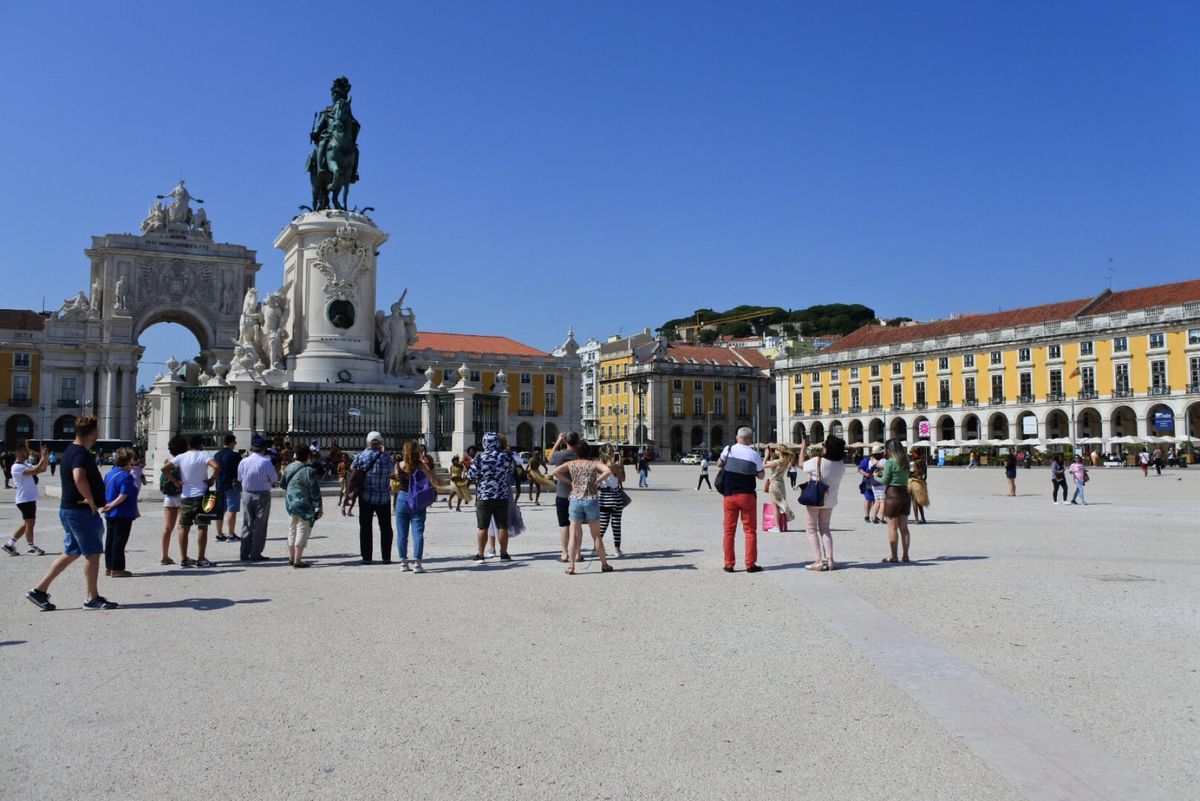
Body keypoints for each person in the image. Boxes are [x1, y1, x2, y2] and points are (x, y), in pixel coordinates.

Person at [24, 416, 118, 611]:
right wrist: (90, 499)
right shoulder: (81, 453)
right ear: (92, 432)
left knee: (71, 551)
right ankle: (92, 598)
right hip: (80, 511)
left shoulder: (71, 450)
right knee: (92, 553)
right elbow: (79, 477)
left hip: (69, 509)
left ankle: (39, 590)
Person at [553, 441, 615, 575]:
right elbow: (608, 470)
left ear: (577, 452)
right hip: (590, 499)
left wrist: (569, 481)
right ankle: (604, 564)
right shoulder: (593, 464)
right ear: (589, 452)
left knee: (573, 535)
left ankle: (571, 566)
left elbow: (556, 471)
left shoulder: (571, 464)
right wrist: (597, 481)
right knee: (596, 536)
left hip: (575, 499)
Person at [716, 427, 766, 573]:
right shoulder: (754, 454)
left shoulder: (729, 449)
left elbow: (719, 464)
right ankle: (750, 564)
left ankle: (729, 564)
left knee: (729, 531)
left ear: (737, 437)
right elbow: (761, 476)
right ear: (749, 439)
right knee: (750, 531)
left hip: (729, 495)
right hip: (747, 496)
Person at [172, 435, 220, 569]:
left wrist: (176, 482)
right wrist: (212, 480)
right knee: (202, 526)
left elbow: (165, 468)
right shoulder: (204, 455)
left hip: (186, 495)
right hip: (202, 494)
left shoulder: (182, 457)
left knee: (184, 527)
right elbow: (216, 466)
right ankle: (201, 558)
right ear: (201, 444)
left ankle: (184, 558)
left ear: (188, 445)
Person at [800, 437, 847, 571]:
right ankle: (830, 560)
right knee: (825, 528)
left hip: (815, 499)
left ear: (827, 448)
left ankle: (818, 561)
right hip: (830, 500)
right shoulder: (841, 465)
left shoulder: (818, 461)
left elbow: (801, 464)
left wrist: (803, 448)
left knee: (811, 529)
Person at [468, 432, 514, 565]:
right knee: (502, 526)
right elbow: (510, 471)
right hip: (501, 495)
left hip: (484, 496)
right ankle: (504, 554)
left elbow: (471, 475)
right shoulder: (506, 456)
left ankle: (480, 555)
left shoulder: (479, 457)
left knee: (483, 527)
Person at [393, 440, 437, 572]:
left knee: (402, 533)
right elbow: (431, 477)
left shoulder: (398, 465)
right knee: (418, 532)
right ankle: (417, 563)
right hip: (417, 498)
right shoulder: (420, 465)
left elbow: (397, 477)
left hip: (402, 498)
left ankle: (403, 562)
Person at [350, 432, 394, 564]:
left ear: (368, 442)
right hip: (383, 497)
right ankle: (386, 557)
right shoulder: (386, 458)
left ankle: (367, 557)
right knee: (386, 528)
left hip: (366, 496)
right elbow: (392, 472)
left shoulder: (361, 456)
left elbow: (353, 471)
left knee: (365, 527)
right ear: (381, 443)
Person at [237, 435, 279, 562]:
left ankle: (244, 553)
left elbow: (240, 478)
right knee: (260, 525)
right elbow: (274, 479)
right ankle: (256, 553)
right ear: (263, 449)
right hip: (262, 494)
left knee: (247, 523)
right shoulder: (266, 462)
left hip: (247, 493)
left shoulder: (243, 461)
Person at [4, 442, 49, 556]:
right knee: (30, 523)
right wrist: (42, 457)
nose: (27, 453)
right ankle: (31, 547)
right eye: (25, 451)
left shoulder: (25, 464)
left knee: (26, 524)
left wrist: (46, 457)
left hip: (28, 498)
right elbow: (35, 471)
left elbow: (42, 469)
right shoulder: (16, 467)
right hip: (24, 499)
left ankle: (9, 544)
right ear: (18, 452)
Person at [281, 444, 322, 569]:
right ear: (308, 456)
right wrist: (319, 506)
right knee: (302, 529)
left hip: (291, 502)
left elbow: (283, 484)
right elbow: (314, 490)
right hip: (304, 504)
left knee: (292, 529)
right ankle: (297, 560)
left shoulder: (289, 467)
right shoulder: (309, 471)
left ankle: (291, 557)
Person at [101, 448, 139, 578]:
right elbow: (123, 495)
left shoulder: (110, 474)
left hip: (110, 513)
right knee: (119, 541)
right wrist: (112, 505)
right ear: (128, 461)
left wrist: (108, 505)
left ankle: (109, 566)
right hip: (122, 512)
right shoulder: (126, 476)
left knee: (110, 540)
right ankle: (117, 568)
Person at [548, 432, 580, 562]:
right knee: (576, 524)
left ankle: (565, 553)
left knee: (564, 525)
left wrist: (558, 441)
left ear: (565, 441)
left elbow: (549, 459)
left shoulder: (560, 455)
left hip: (562, 494)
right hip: (578, 494)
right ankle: (577, 554)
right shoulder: (579, 455)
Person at [880, 438, 912, 563]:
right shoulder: (906, 461)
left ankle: (894, 556)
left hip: (893, 494)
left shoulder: (889, 462)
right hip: (905, 494)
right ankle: (906, 555)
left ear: (889, 450)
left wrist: (875, 477)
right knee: (904, 528)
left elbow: (884, 481)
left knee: (892, 528)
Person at [159, 435, 186, 565]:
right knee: (181, 527)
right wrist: (177, 482)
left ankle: (165, 556)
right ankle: (183, 557)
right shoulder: (183, 460)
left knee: (167, 528)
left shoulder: (168, 460)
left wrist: (173, 481)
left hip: (169, 496)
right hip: (181, 495)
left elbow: (164, 473)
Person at [212, 433, 243, 543]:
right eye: (235, 442)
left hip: (220, 484)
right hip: (231, 484)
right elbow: (240, 470)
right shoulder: (235, 455)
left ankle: (219, 533)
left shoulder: (217, 455)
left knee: (220, 510)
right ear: (232, 443)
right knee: (232, 510)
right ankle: (231, 534)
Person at [598, 447, 627, 557]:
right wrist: (620, 467)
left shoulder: (598, 466)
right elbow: (623, 479)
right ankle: (617, 550)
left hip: (603, 498)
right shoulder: (616, 466)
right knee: (616, 525)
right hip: (615, 497)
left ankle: (597, 548)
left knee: (602, 525)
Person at [763, 444, 797, 530]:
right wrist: (771, 455)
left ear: (780, 451)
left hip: (774, 484)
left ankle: (777, 527)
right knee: (780, 502)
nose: (775, 450)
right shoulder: (784, 461)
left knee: (775, 505)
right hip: (780, 483)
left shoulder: (778, 461)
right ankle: (780, 524)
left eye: (776, 449)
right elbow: (773, 463)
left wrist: (766, 456)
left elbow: (763, 465)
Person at [908, 449, 929, 524]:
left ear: (917, 455)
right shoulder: (924, 463)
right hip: (922, 483)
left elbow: (917, 474)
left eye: (913, 454)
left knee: (914, 501)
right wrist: (923, 481)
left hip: (915, 483)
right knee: (920, 501)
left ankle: (916, 519)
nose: (912, 456)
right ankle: (923, 518)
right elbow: (925, 475)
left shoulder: (915, 463)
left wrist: (909, 474)